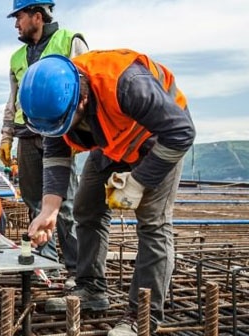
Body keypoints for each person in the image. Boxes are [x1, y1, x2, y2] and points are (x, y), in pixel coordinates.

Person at [21, 50, 195, 335]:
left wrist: (139, 181)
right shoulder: (53, 100)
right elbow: (56, 152)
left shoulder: (127, 84)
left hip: (160, 140)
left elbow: (181, 133)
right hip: (112, 140)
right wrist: (49, 209)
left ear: (83, 98)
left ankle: (143, 316)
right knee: (86, 207)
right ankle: (91, 289)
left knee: (153, 225)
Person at [0, 0, 87, 288]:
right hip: (27, 133)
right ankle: (47, 263)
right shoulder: (16, 58)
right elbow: (12, 101)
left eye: (19, 17)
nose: (16, 25)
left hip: (60, 131)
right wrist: (6, 136)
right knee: (33, 200)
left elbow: (86, 86)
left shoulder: (69, 41)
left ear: (37, 16)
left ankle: (76, 269)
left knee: (65, 204)